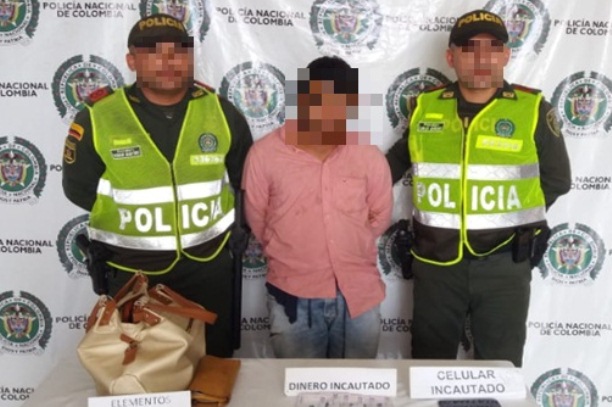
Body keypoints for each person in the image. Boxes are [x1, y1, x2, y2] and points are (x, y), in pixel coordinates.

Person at [386, 9, 571, 367]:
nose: (482, 59)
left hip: (504, 264)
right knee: (427, 370)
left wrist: (513, 217)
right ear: (451, 57)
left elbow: (557, 179)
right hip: (436, 263)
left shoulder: (532, 109)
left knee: (500, 370)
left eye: (492, 48)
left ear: (506, 55)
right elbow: (396, 161)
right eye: (470, 49)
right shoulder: (426, 106)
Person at [62, 14, 253, 357]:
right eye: (153, 52)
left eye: (178, 52)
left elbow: (245, 183)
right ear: (132, 60)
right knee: (141, 371)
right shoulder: (99, 115)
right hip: (132, 274)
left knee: (213, 370)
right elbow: (79, 189)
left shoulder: (221, 112)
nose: (168, 61)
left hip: (209, 268)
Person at [242, 57, 393, 358]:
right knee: (298, 384)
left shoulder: (368, 156)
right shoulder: (265, 155)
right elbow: (258, 219)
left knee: (359, 386)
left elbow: (379, 216)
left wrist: (347, 243)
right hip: (292, 296)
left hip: (359, 296)